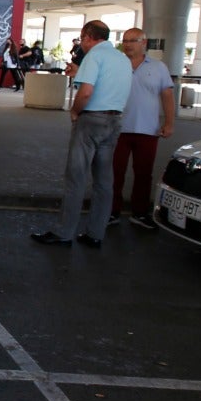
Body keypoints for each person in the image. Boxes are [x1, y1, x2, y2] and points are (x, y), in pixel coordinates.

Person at [31, 20, 133, 247]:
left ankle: (64, 232)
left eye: (82, 39)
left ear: (88, 36)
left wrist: (75, 112)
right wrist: (80, 73)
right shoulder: (121, 58)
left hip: (91, 119)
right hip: (114, 119)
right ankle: (95, 233)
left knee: (76, 177)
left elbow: (86, 92)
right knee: (104, 180)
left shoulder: (94, 56)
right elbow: (109, 83)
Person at [110, 28, 175, 229]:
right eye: (125, 41)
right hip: (117, 128)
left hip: (148, 129)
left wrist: (169, 123)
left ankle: (139, 213)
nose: (128, 44)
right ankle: (111, 211)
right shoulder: (115, 65)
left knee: (144, 174)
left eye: (133, 40)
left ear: (143, 43)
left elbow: (167, 96)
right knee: (114, 172)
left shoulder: (158, 67)